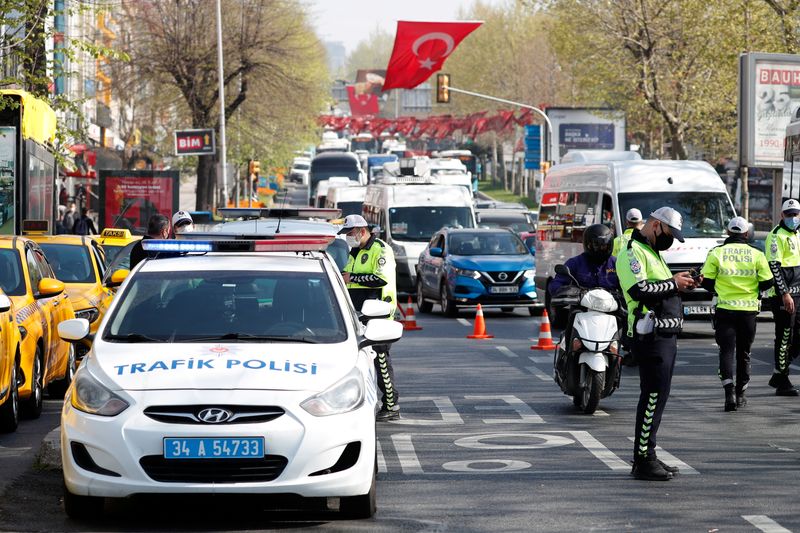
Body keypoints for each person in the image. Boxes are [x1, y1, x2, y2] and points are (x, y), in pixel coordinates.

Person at [617, 207, 698, 481]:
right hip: (649, 334)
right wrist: (673, 284)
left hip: (664, 334)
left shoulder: (652, 252)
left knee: (659, 397)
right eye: (669, 233)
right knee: (652, 396)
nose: (671, 240)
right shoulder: (632, 252)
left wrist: (681, 282)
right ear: (654, 225)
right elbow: (639, 290)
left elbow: (661, 285)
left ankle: (648, 453)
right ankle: (642, 460)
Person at [701, 216, 773, 411]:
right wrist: (754, 290)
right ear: (747, 233)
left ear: (727, 232)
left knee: (726, 351)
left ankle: (729, 394)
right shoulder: (756, 254)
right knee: (744, 353)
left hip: (725, 309)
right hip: (748, 311)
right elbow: (768, 282)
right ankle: (741, 394)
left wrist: (720, 289)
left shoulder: (717, 253)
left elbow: (706, 282)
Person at [338, 214, 399, 421]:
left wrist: (352, 278)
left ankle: (391, 405)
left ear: (362, 231)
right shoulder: (355, 251)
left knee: (381, 360)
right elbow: (347, 277)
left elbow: (380, 279)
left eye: (350, 233)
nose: (348, 237)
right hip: (358, 314)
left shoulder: (380, 249)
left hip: (379, 313)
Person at [765, 199, 800, 396]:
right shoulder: (775, 236)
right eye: (789, 214)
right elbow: (774, 268)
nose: (792, 218)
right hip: (783, 296)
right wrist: (785, 293)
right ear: (781, 215)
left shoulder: (798, 234)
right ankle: (782, 380)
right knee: (785, 336)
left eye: (795, 214)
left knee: (798, 337)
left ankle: (778, 372)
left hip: (799, 294)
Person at [549, 224, 619, 297]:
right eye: (596, 245)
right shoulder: (575, 263)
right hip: (582, 306)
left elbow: (628, 284)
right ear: (588, 244)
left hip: (612, 305)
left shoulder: (616, 264)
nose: (601, 248)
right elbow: (555, 285)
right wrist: (568, 291)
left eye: (604, 245)